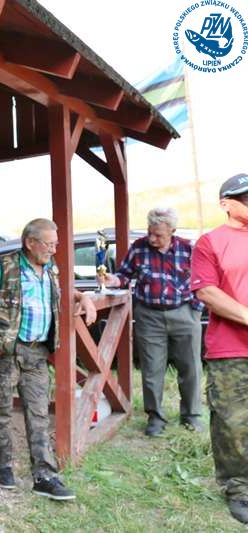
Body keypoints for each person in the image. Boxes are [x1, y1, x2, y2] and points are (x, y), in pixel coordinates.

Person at [0, 218, 96, 501]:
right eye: (48, 244)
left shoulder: (50, 268)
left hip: (38, 352)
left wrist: (84, 297)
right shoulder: (5, 266)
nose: (53, 249)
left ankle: (44, 476)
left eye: (55, 244)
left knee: (38, 413)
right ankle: (2, 466)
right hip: (7, 352)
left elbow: (64, 291)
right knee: (2, 410)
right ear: (30, 242)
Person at [99, 207, 203, 436]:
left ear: (172, 231)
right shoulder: (139, 248)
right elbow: (124, 275)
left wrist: (195, 309)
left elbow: (203, 280)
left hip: (184, 313)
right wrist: (112, 279)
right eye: (150, 232)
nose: (152, 238)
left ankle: (191, 416)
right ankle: (155, 418)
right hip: (149, 316)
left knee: (191, 368)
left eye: (158, 235)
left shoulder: (189, 249)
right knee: (151, 369)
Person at [190, 173, 248, 525]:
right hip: (231, 349)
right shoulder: (210, 242)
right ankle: (238, 489)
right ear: (226, 204)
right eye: (246, 198)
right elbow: (207, 292)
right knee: (232, 422)